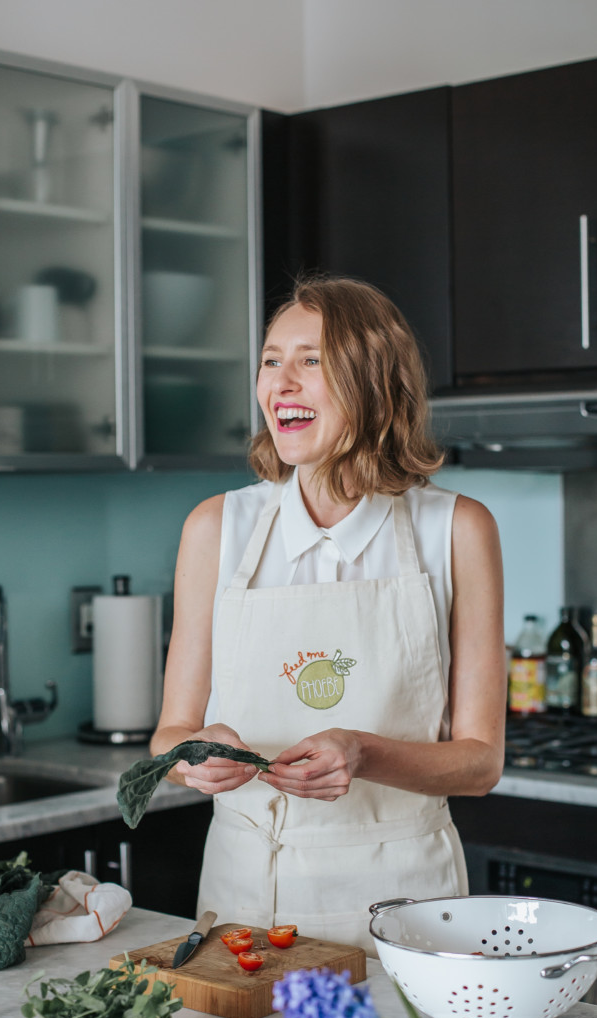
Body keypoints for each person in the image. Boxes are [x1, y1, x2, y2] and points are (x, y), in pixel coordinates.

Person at [149, 275, 505, 955]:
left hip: (405, 902)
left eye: (310, 360)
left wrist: (363, 752)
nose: (280, 383)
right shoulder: (216, 528)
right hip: (247, 897)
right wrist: (191, 758)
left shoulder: (457, 530)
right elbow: (168, 737)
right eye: (270, 360)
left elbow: (480, 763)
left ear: (373, 383)